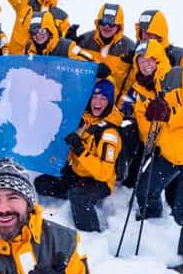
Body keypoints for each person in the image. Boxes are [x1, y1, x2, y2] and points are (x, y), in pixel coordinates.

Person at [128, 39, 183, 274]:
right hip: (168, 153)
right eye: (141, 62)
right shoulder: (141, 91)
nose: (145, 66)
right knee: (146, 188)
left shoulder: (181, 76)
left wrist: (170, 113)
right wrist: (149, 123)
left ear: (158, 60)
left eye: (149, 61)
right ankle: (153, 220)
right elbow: (147, 129)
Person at [34, 79, 125, 232]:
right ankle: (72, 196)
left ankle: (90, 234)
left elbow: (104, 173)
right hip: (79, 174)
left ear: (109, 103)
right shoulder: (87, 120)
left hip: (98, 182)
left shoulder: (110, 134)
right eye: (95, 98)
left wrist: (80, 151)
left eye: (103, 98)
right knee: (42, 183)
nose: (97, 102)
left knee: (78, 197)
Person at [77, 2, 136, 92]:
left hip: (111, 100)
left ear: (119, 26)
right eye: (103, 22)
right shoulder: (84, 40)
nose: (106, 27)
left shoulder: (129, 48)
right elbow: (73, 67)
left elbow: (130, 81)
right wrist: (69, 43)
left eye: (112, 24)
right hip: (83, 94)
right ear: (98, 23)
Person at [24, 11, 95, 64]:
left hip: (62, 83)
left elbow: (85, 56)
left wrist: (97, 66)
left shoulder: (67, 46)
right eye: (34, 32)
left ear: (50, 31)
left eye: (42, 31)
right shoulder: (29, 48)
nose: (38, 36)